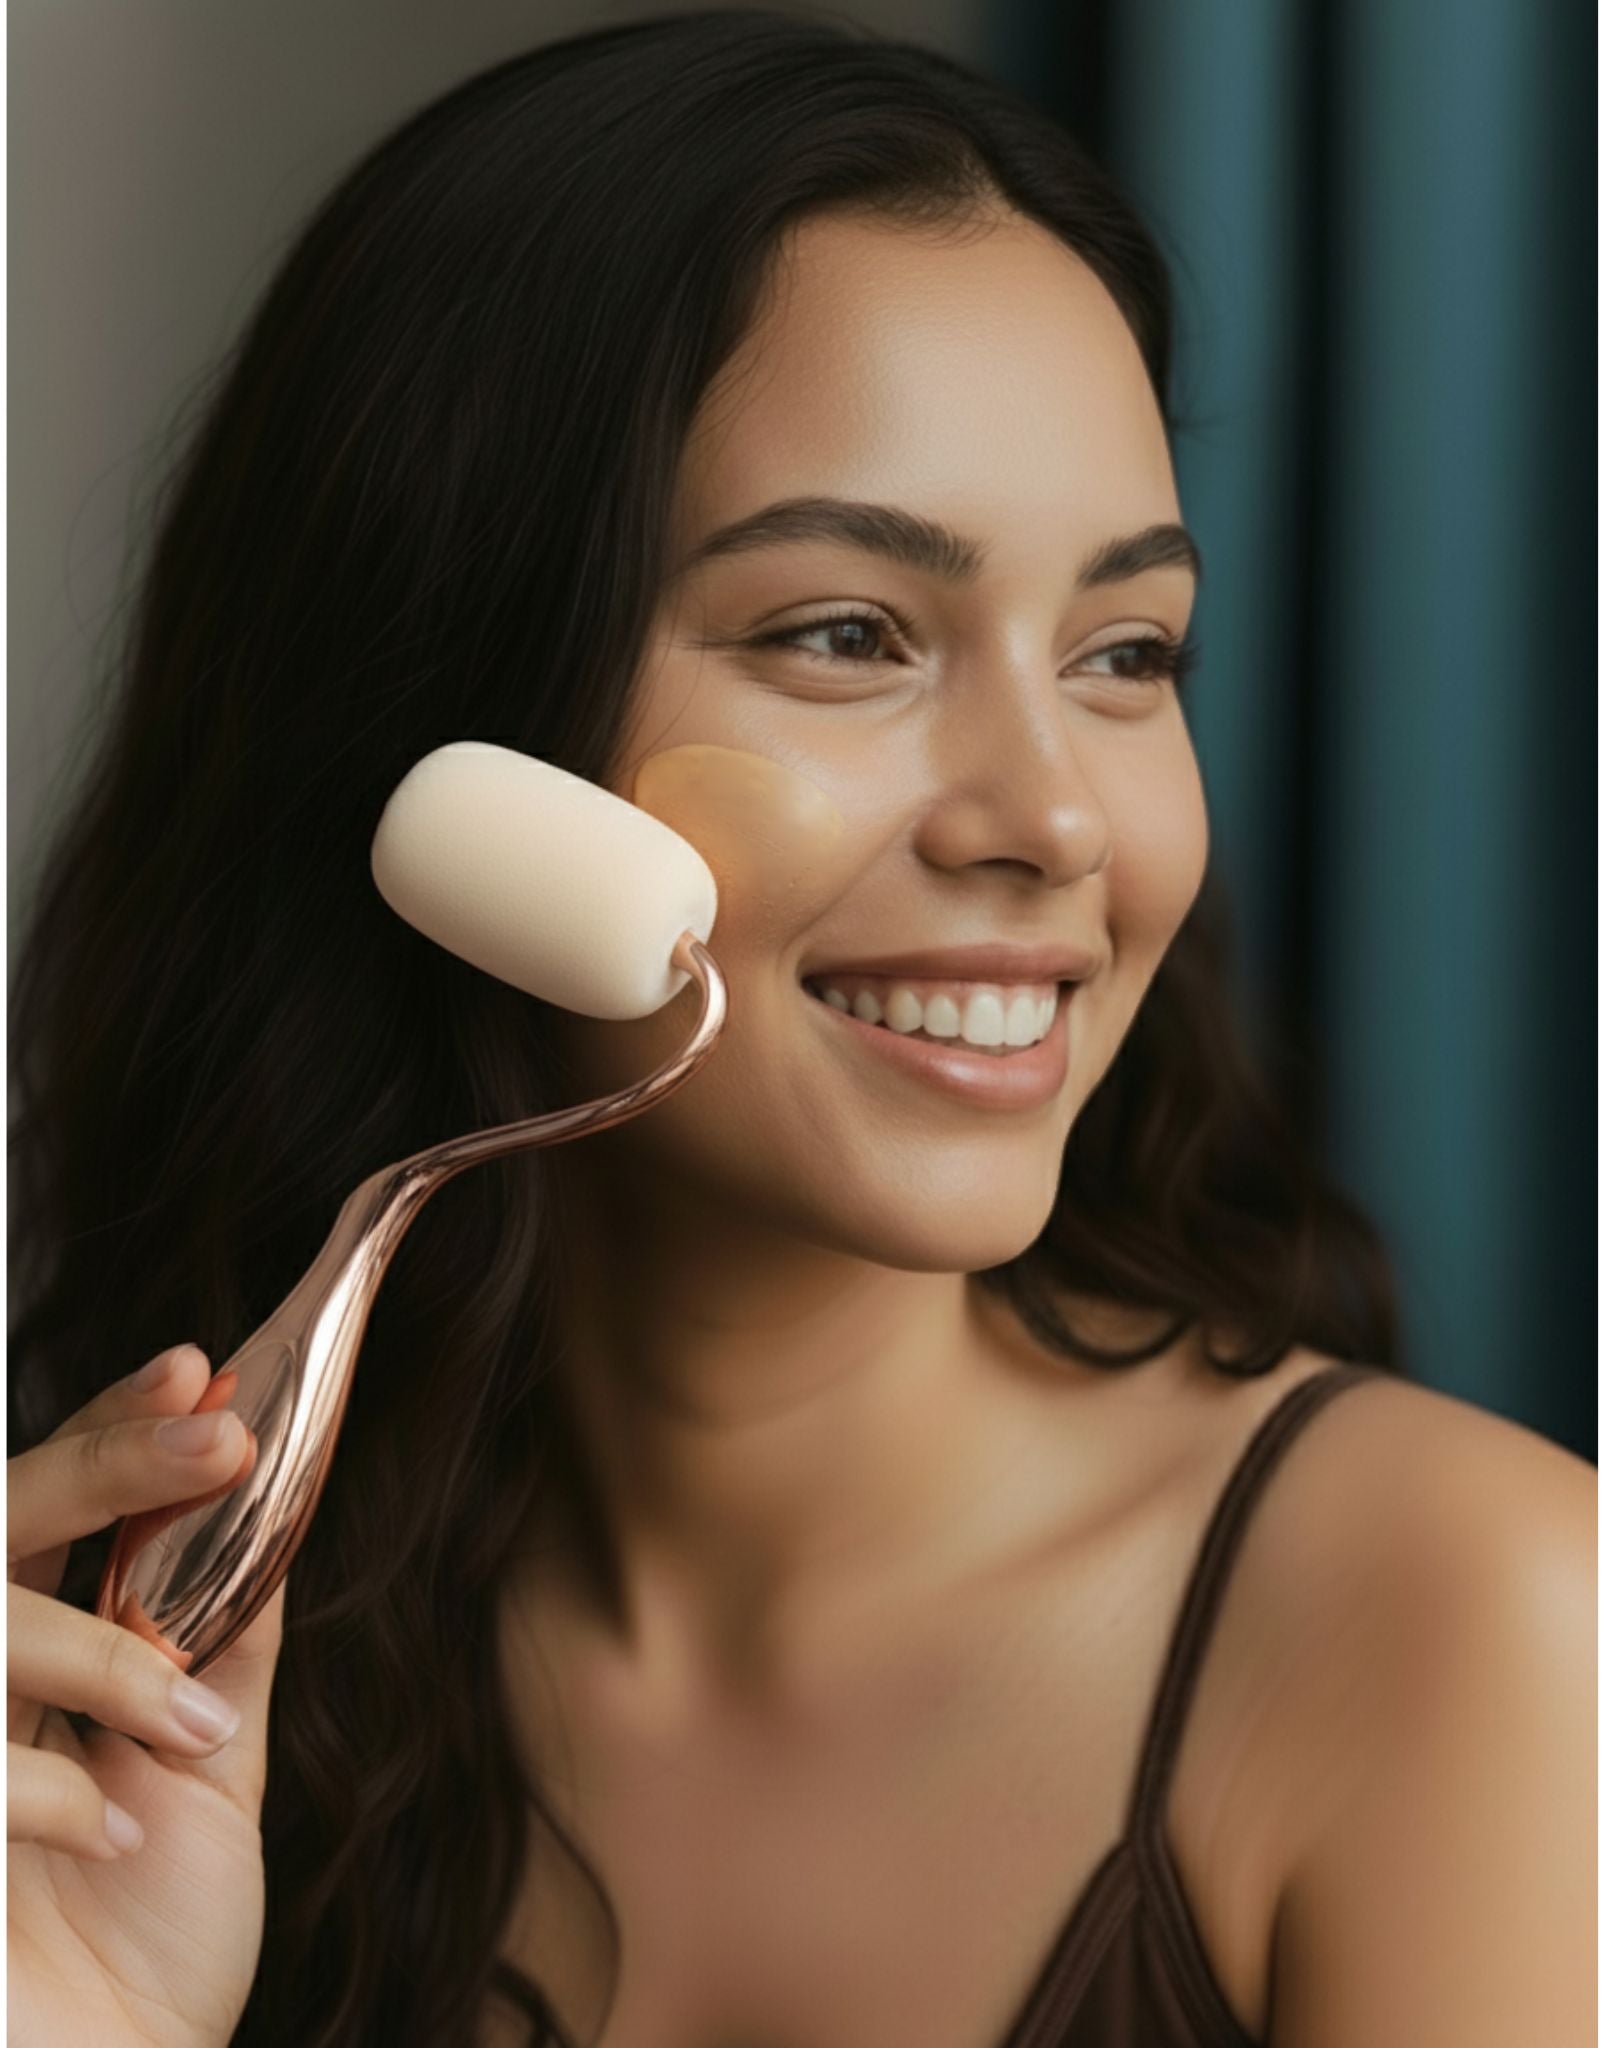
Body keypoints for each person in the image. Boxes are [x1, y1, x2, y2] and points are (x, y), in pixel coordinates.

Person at [7, 12, 1594, 2048]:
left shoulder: (1472, 1634)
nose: (1047, 820)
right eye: (846, 634)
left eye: (1126, 651)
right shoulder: (164, 1684)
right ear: (445, 743)